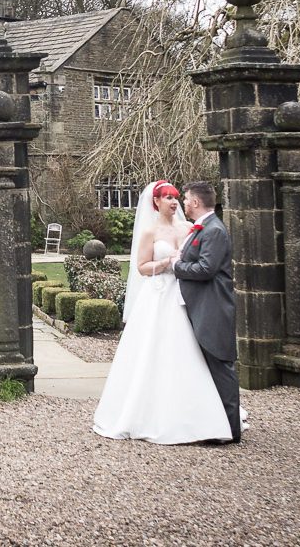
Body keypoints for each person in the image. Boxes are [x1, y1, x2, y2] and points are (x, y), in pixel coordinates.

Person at [93, 180, 233, 445]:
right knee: (154, 349)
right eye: (167, 197)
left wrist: (181, 265)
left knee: (188, 349)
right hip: (159, 294)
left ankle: (198, 411)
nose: (173, 202)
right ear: (155, 202)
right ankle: (150, 411)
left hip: (186, 294)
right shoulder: (150, 232)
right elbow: (142, 267)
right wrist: (167, 263)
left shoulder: (191, 228)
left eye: (176, 197)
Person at [170, 181, 242, 443]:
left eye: (186, 199)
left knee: (220, 366)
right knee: (207, 368)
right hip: (202, 306)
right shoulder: (204, 229)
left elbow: (205, 270)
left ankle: (230, 430)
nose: (184, 203)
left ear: (197, 202)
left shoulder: (214, 231)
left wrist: (176, 265)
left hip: (213, 307)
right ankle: (213, 426)